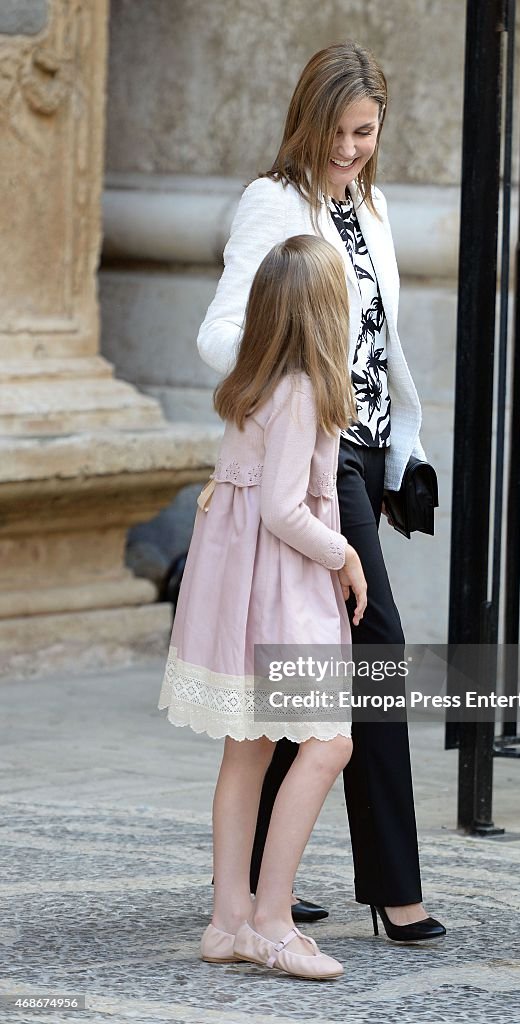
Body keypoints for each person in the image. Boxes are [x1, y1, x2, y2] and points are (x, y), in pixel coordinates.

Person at [195, 40, 445, 941]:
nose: (350, 149)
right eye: (339, 131)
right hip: (311, 455)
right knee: (372, 650)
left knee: (304, 662)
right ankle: (392, 887)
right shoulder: (274, 203)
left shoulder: (367, 204)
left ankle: (268, 882)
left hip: (360, 450)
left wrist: (396, 450)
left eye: (366, 132)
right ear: (309, 120)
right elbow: (224, 330)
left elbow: (377, 340)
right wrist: (287, 378)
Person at [158, 235, 368, 980]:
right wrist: (343, 556)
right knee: (328, 741)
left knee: (247, 748)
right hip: (279, 585)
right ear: (324, 309)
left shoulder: (256, 381)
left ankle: (227, 921)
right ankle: (272, 920)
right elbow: (283, 510)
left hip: (238, 584)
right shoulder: (304, 388)